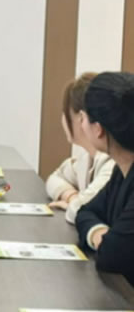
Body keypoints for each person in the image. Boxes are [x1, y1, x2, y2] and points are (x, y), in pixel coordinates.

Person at [75, 72, 134, 285]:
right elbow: (85, 212)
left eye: (83, 118)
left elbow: (113, 255)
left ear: (98, 129)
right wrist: (101, 234)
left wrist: (106, 241)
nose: (81, 123)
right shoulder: (121, 170)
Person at [46, 73, 113, 223]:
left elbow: (82, 208)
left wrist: (75, 203)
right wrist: (71, 196)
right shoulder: (87, 157)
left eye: (64, 112)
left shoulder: (112, 162)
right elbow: (55, 178)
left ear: (81, 118)